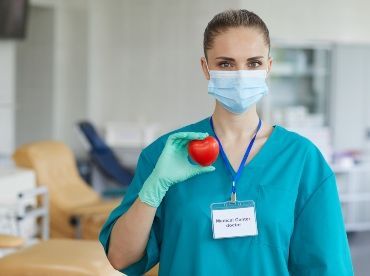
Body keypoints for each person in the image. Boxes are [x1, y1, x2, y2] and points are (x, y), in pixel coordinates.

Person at [99, 9, 354, 275]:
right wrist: (154, 189)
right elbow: (121, 258)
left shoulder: (301, 160)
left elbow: (327, 266)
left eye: (253, 63)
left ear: (268, 67)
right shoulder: (167, 154)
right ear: (205, 68)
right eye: (226, 64)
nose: (240, 74)